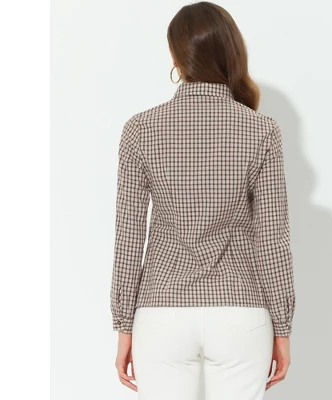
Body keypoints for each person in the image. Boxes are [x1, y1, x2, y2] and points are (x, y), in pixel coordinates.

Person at [110, 2, 296, 399]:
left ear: (175, 56)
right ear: (232, 51)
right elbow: (273, 239)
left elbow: (128, 238)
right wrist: (282, 328)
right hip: (241, 313)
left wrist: (124, 324)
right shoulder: (262, 130)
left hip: (162, 313)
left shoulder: (140, 130)